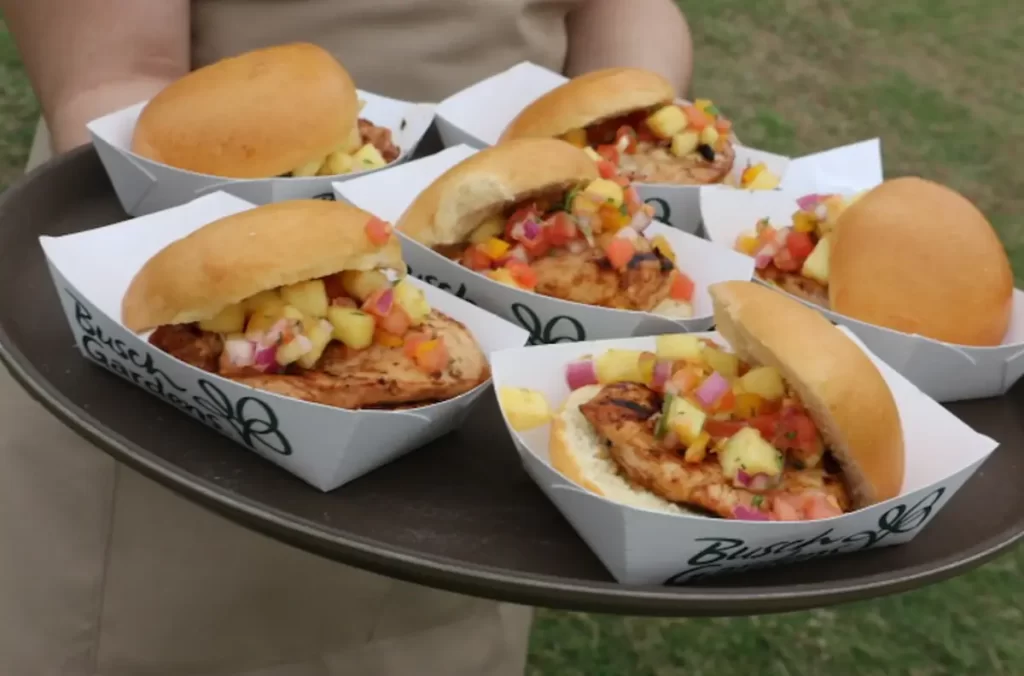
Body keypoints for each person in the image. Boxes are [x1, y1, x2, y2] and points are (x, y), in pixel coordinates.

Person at [0, 1, 694, 674]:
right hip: (181, 429)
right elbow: (115, 78)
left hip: (481, 448)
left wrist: (629, 145)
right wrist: (230, 261)